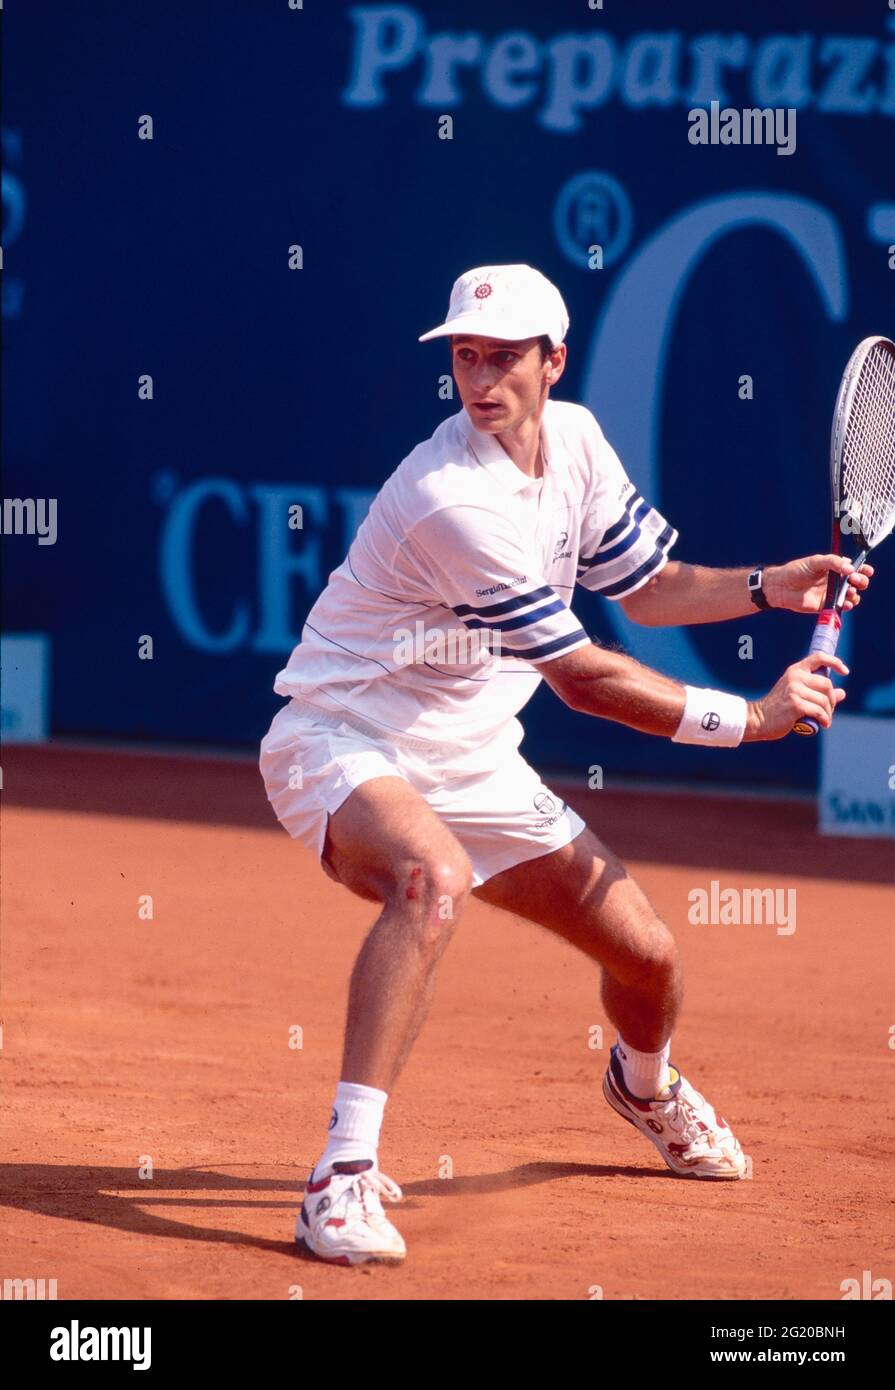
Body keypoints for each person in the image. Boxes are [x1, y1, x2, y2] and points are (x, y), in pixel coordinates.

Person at [259, 264, 870, 1265]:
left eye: (503, 357)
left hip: (474, 757)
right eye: (464, 355)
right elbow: (583, 681)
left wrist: (767, 587)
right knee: (429, 879)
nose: (480, 378)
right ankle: (340, 1176)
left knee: (650, 958)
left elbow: (653, 588)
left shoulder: (577, 439)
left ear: (555, 360)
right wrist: (753, 718)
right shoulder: (448, 499)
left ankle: (643, 1084)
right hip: (343, 735)